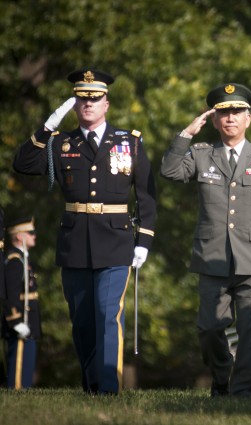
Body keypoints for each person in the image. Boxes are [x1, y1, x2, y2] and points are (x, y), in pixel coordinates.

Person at [13, 69, 157, 395]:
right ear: (75, 104)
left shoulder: (129, 142)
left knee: (108, 314)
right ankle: (92, 387)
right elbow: (21, 164)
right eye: (82, 99)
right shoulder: (61, 142)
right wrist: (48, 125)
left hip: (117, 240)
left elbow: (147, 196)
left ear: (107, 103)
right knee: (82, 321)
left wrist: (144, 241)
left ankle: (108, 389)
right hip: (75, 241)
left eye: (94, 98)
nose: (88, 104)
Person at [159, 83, 251, 398]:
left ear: (248, 118)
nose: (230, 118)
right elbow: (169, 170)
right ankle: (221, 376)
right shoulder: (202, 155)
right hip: (212, 256)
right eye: (223, 113)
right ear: (215, 120)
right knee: (208, 328)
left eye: (236, 112)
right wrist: (186, 134)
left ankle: (245, 394)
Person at [1, 217, 41, 389]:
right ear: (19, 236)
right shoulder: (14, 261)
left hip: (29, 324)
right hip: (20, 324)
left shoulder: (23, 259)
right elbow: (9, 295)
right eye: (30, 233)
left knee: (25, 372)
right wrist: (15, 321)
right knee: (18, 376)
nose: (34, 236)